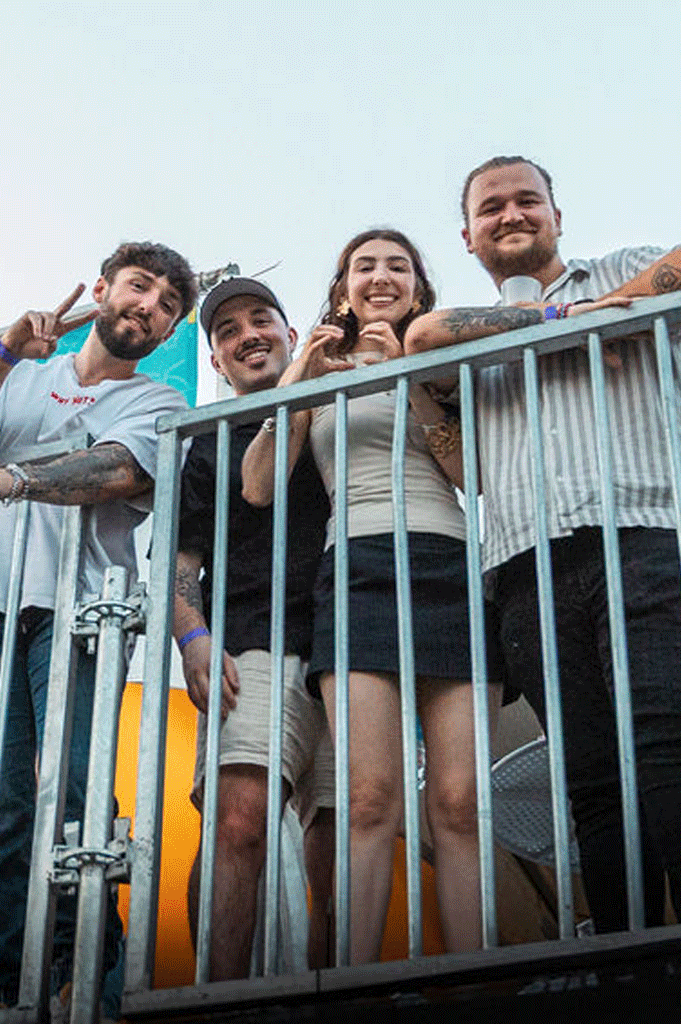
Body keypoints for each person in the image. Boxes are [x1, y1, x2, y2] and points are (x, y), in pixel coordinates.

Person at [404, 155, 681, 932]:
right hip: (525, 560)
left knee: (668, 735)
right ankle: (628, 955)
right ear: (468, 237)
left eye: (528, 199)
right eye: (491, 207)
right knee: (591, 773)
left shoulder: (622, 270)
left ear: (557, 217)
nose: (511, 214)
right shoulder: (473, 331)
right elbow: (424, 337)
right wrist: (576, 323)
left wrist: (603, 307)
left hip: (648, 530)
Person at [0, 241, 196, 1014]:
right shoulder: (20, 378)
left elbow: (118, 469)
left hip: (80, 612)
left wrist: (11, 480)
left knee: (72, 797)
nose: (150, 307)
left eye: (168, 305)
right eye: (140, 286)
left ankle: (85, 984)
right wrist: (5, 352)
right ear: (102, 289)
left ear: (169, 330)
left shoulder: (159, 403)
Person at [241, 229, 503, 965]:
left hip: (448, 561)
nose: (381, 276)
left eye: (398, 266)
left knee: (458, 802)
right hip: (356, 567)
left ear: (418, 288)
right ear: (343, 290)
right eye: (365, 266)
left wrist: (411, 376)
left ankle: (475, 981)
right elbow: (258, 486)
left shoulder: (441, 359)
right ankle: (358, 983)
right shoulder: (319, 372)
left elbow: (473, 476)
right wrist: (302, 374)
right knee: (368, 798)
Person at [174, 277, 335, 979]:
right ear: (216, 360)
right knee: (237, 822)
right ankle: (216, 998)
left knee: (339, 848)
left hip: (355, 643)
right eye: (228, 331)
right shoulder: (207, 440)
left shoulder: (344, 404)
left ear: (291, 335)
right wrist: (193, 638)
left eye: (260, 319)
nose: (248, 336)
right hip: (252, 638)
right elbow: (179, 560)